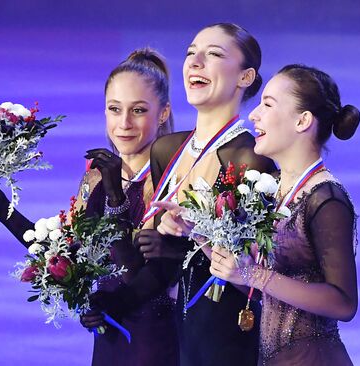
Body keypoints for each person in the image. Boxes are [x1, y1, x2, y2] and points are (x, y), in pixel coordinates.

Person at [0, 48, 179, 366]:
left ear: (163, 113)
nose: (124, 123)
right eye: (114, 109)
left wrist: (116, 195)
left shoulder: (171, 179)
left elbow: (146, 277)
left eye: (139, 111)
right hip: (109, 336)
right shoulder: (94, 179)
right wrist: (2, 210)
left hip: (155, 339)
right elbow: (63, 254)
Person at [97, 23, 277, 366]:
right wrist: (117, 302)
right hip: (176, 333)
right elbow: (164, 266)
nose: (196, 62)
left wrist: (180, 243)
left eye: (213, 55)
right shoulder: (166, 148)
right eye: (191, 53)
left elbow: (249, 270)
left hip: (223, 335)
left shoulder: (250, 156)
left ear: (245, 77)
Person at [207, 64, 360, 365]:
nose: (254, 114)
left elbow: (344, 304)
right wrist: (196, 232)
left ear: (303, 121)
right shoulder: (270, 188)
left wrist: (255, 274)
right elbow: (264, 286)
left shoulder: (326, 199)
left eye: (268, 104)